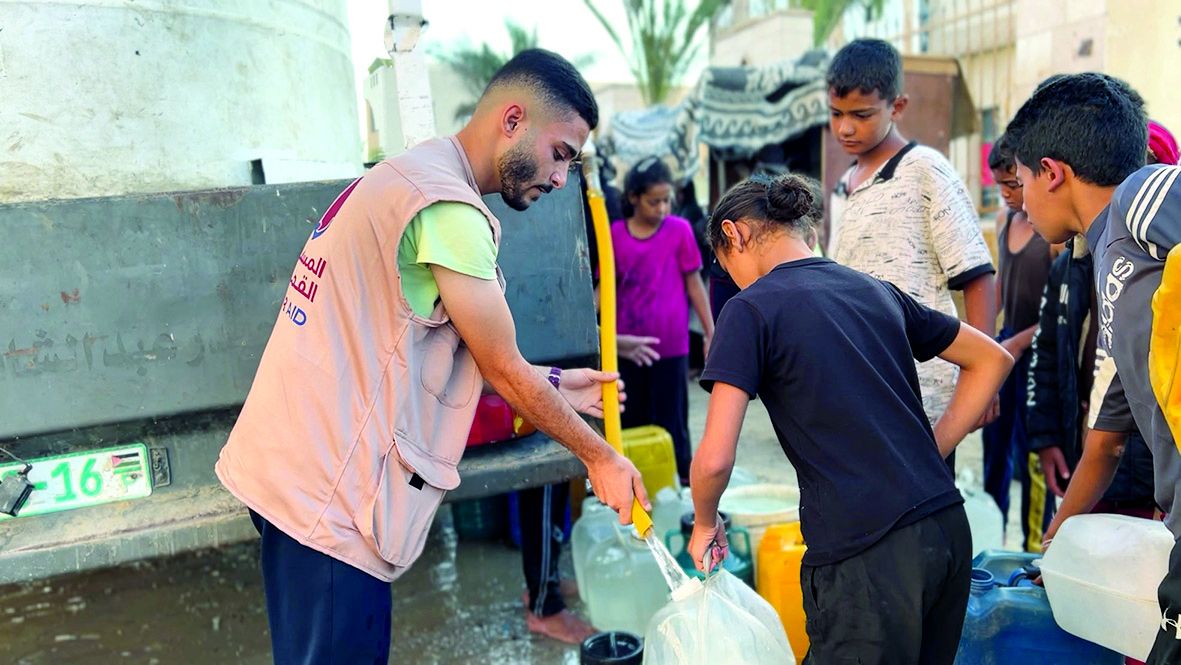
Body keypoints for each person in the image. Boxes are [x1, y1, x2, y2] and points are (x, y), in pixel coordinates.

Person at [215, 49, 649, 663]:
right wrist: (599, 457)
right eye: (561, 154)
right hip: (331, 498)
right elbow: (500, 364)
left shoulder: (407, 174)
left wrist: (549, 380)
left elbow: (450, 342)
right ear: (513, 118)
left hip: (296, 471)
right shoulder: (447, 210)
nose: (561, 179)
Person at [687, 173, 1012, 664]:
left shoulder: (749, 309)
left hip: (866, 554)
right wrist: (931, 448)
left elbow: (713, 460)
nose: (729, 278)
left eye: (723, 263)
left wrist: (705, 522)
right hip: (945, 528)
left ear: (733, 235)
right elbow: (992, 359)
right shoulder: (874, 289)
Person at [1004, 72, 1180, 664]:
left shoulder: (1141, 196)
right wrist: (1051, 550)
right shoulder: (1109, 271)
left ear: (1052, 172)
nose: (1022, 202)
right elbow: (1103, 445)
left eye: (1024, 181)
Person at [826, 39, 998, 445]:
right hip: (860, 385)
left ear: (897, 107)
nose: (845, 128)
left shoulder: (925, 171)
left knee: (923, 501)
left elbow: (977, 276)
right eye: (835, 114)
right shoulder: (840, 188)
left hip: (925, 394)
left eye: (861, 115)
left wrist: (985, 379)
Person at [612, 156, 713, 486]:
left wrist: (711, 332)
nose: (663, 207)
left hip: (672, 346)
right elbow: (605, 290)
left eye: (667, 199)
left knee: (674, 421)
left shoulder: (679, 231)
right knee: (632, 420)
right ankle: (638, 485)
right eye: (654, 201)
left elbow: (694, 283)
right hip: (628, 348)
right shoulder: (614, 235)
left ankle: (683, 485)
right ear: (633, 198)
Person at [981, 135, 1057, 551]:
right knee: (994, 446)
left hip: (1035, 353)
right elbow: (996, 286)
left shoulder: (1051, 233)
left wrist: (1018, 343)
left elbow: (1056, 312)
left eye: (1014, 184)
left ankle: (1033, 549)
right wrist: (983, 339)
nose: (1008, 194)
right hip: (1003, 347)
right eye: (1001, 187)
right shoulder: (1003, 221)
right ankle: (992, 539)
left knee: (1033, 457)